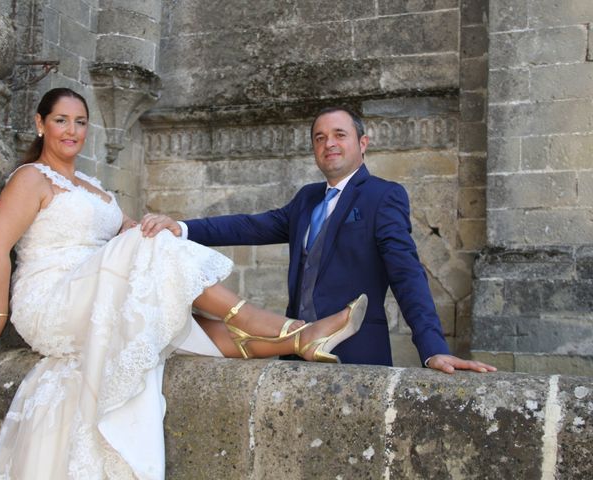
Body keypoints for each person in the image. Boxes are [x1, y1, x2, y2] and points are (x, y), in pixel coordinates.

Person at [0, 89, 368, 479]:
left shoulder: (94, 188)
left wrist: (161, 227)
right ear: (40, 123)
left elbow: (130, 232)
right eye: (61, 120)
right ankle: (288, 326)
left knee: (171, 295)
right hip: (53, 299)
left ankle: (298, 342)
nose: (72, 130)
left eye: (80, 122)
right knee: (151, 252)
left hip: (98, 292)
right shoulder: (32, 177)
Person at [150, 106, 497, 374]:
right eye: (319, 137)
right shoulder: (306, 199)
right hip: (292, 352)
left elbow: (407, 275)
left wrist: (433, 349)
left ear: (362, 143)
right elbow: (249, 226)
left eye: (339, 134)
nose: (328, 143)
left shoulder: (383, 196)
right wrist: (181, 228)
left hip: (357, 354)